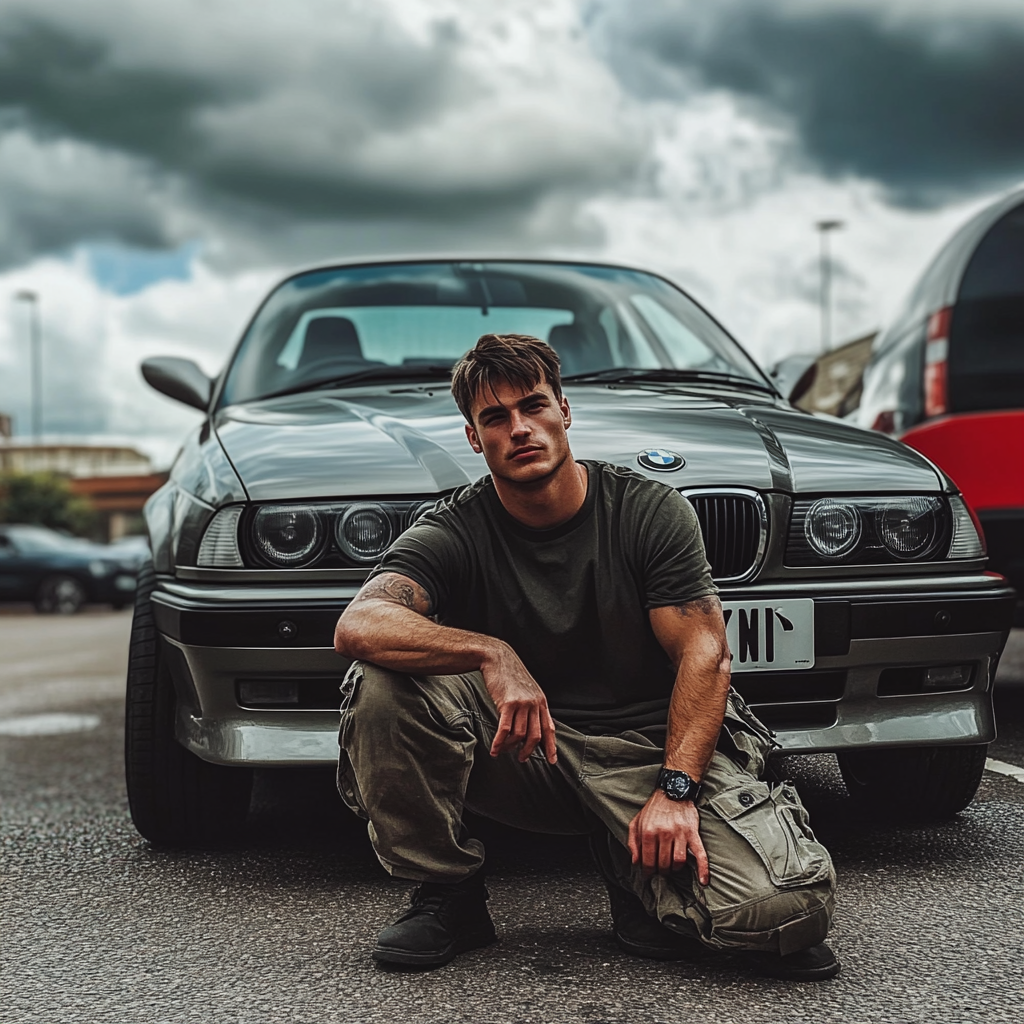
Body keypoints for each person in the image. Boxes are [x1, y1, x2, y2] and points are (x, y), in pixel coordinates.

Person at [333, 333, 838, 980]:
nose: (519, 428)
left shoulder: (647, 510)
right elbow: (360, 623)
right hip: (530, 752)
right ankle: (448, 893)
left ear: (564, 411)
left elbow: (705, 653)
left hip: (651, 749)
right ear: (473, 437)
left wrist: (675, 791)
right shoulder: (456, 527)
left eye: (533, 406)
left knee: (787, 917)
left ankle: (636, 875)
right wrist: (493, 654)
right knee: (382, 679)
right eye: (495, 417)